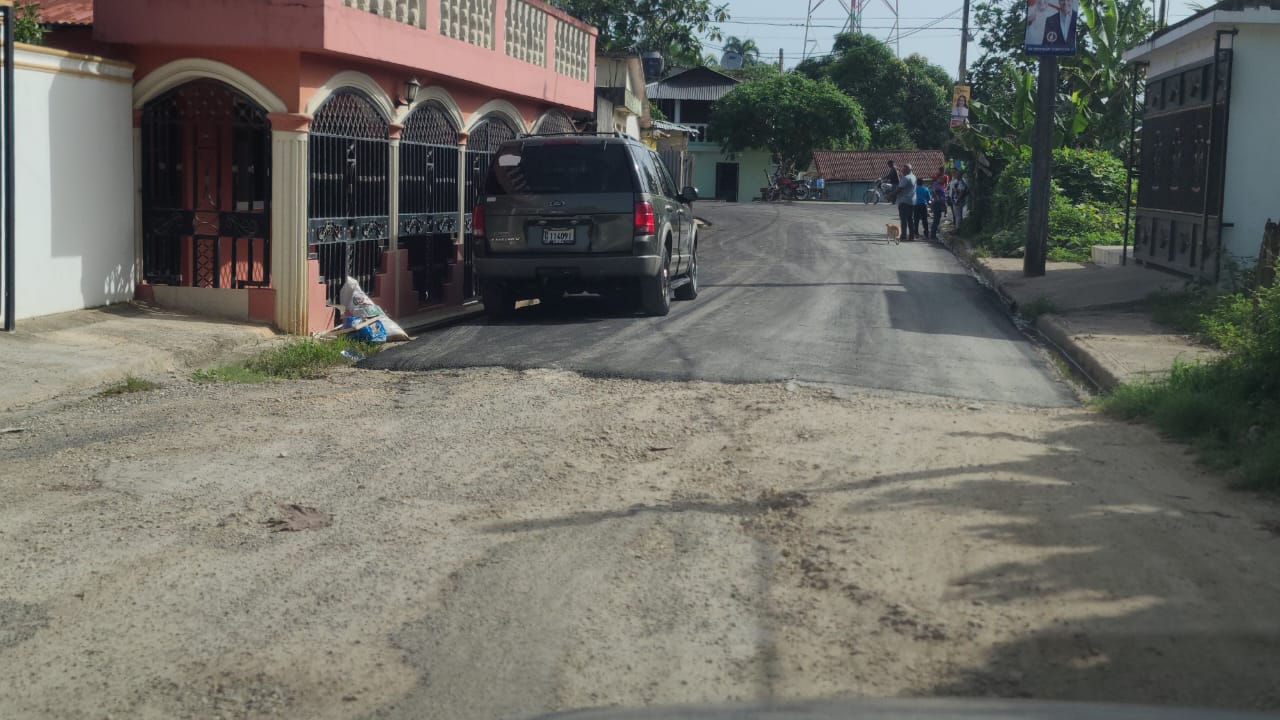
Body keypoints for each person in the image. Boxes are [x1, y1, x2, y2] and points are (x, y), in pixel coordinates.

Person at [896, 163, 917, 242]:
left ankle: (903, 236)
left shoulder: (906, 178)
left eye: (904, 169)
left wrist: (892, 194)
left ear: (908, 170)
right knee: (910, 219)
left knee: (903, 219)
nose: (902, 170)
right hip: (912, 201)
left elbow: (900, 189)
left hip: (904, 201)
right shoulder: (914, 177)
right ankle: (912, 236)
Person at [913, 175, 931, 241]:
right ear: (922, 183)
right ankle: (926, 233)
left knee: (916, 219)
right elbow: (929, 198)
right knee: (924, 220)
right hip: (923, 205)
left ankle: (916, 233)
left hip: (916, 205)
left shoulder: (914, 189)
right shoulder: (926, 189)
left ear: (917, 182)